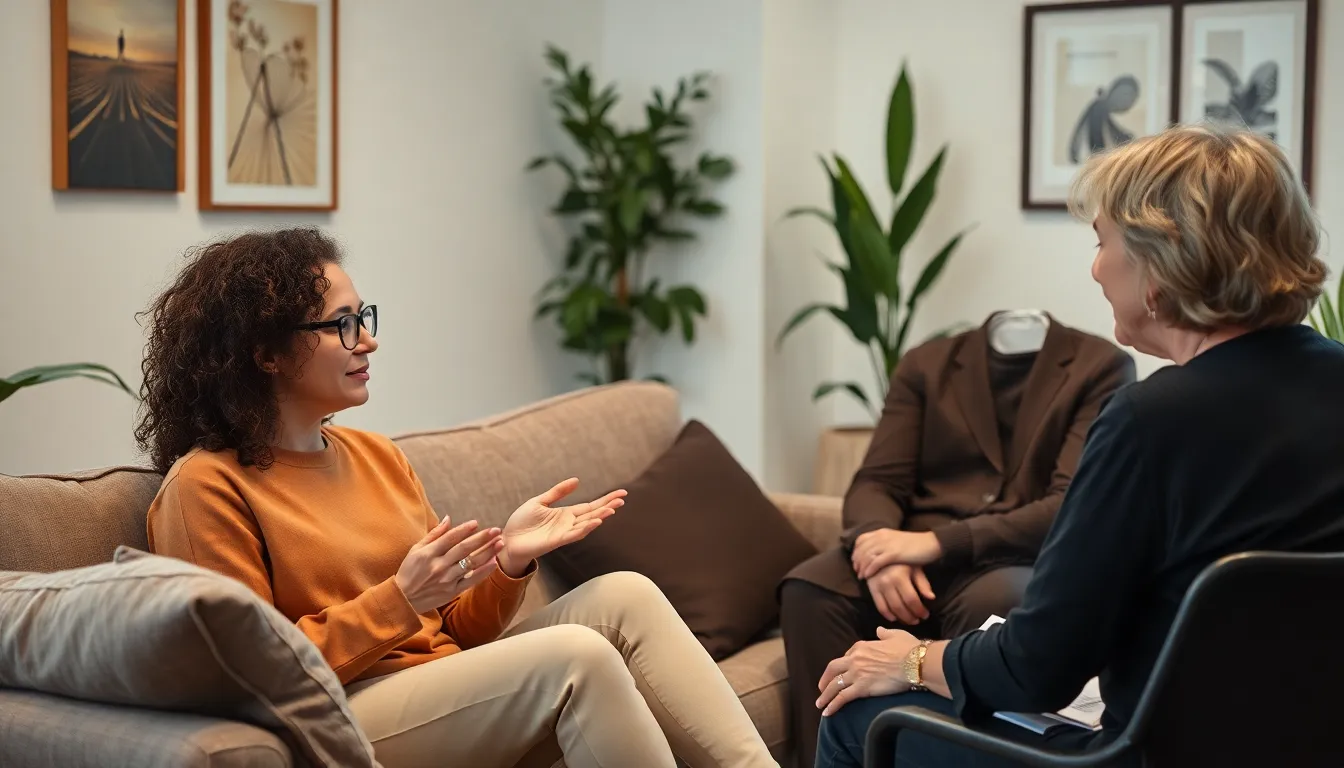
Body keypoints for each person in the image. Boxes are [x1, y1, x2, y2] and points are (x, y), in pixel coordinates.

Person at [136, 228, 776, 768]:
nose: (368, 341)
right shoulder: (206, 486)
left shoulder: (377, 456)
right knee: (576, 657)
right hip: (337, 714)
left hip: (437, 689)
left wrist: (510, 562)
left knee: (625, 596)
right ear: (264, 354)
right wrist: (399, 599)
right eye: (341, 326)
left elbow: (456, 633)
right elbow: (243, 671)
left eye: (364, 318)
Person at [811, 124, 1344, 767]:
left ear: (1160, 262)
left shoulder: (1149, 422)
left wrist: (914, 658)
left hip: (1142, 755)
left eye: (1102, 242)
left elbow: (1036, 668)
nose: (1095, 269)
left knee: (858, 716)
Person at [780, 311, 1133, 765]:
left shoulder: (1099, 365)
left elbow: (1066, 504)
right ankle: (827, 754)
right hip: (909, 548)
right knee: (810, 588)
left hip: (1013, 555)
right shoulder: (927, 363)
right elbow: (877, 481)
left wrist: (937, 543)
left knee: (998, 599)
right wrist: (879, 551)